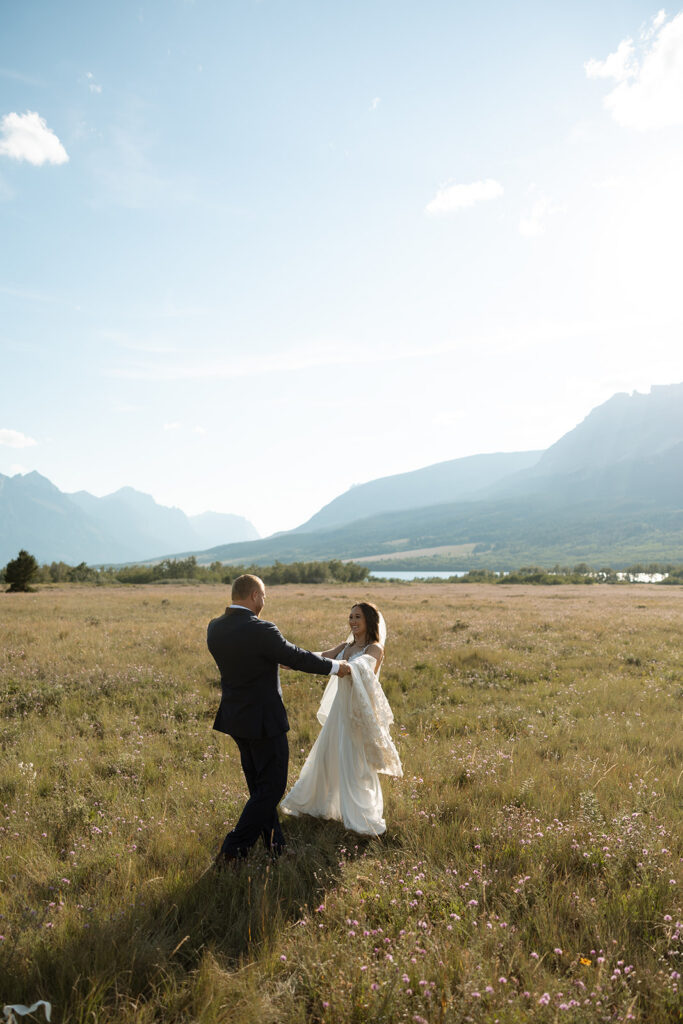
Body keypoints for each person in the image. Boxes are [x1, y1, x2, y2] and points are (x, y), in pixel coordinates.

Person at [207, 574, 351, 864]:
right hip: (263, 720)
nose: (264, 601)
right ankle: (234, 850)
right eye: (263, 596)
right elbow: (296, 657)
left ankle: (275, 847)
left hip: (235, 719)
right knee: (271, 787)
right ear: (254, 596)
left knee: (259, 787)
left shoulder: (215, 627)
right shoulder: (261, 629)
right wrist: (338, 667)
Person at [281, 601, 402, 836]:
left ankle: (360, 816)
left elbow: (360, 667)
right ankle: (320, 804)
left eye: (358, 617)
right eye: (351, 617)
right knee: (326, 757)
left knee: (354, 762)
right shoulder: (344, 646)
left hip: (356, 713)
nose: (353, 622)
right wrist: (290, 661)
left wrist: (339, 665)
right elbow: (318, 657)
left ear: (369, 620)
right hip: (339, 711)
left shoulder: (374, 648)